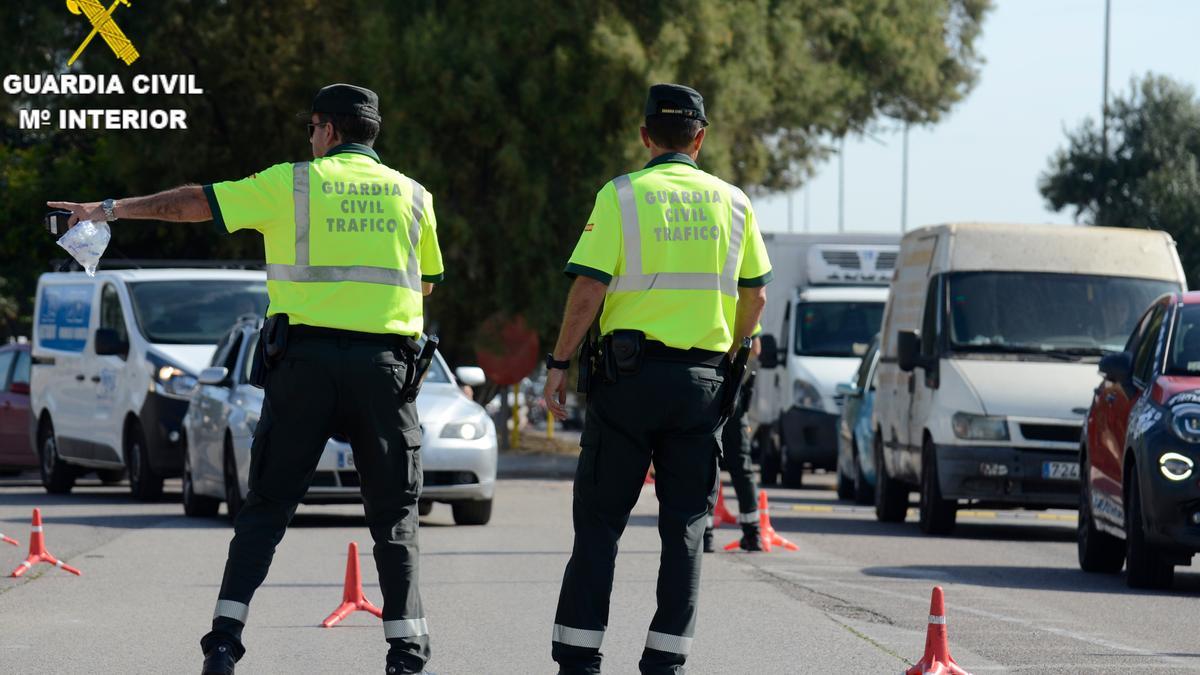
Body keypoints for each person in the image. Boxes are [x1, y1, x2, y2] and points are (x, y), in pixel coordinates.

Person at [49, 83, 443, 675]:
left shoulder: (292, 183)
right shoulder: (415, 196)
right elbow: (428, 282)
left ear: (329, 130)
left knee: (266, 508)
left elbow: (192, 202)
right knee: (394, 515)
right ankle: (406, 653)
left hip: (304, 366)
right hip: (384, 372)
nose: (309, 140)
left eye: (312, 129)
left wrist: (107, 209)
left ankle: (225, 643)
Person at [542, 83, 771, 675]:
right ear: (701, 137)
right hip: (701, 383)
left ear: (645, 135)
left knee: (599, 525)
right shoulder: (734, 203)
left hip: (627, 383)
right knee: (686, 529)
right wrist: (736, 350)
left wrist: (560, 362)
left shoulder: (621, 196)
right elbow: (757, 294)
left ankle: (578, 656)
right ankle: (665, 660)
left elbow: (589, 288)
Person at [704, 327, 763, 553]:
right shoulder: (742, 301)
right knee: (741, 464)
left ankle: (706, 535)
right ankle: (753, 532)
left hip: (706, 387)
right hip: (734, 395)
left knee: (706, 460)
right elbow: (755, 348)